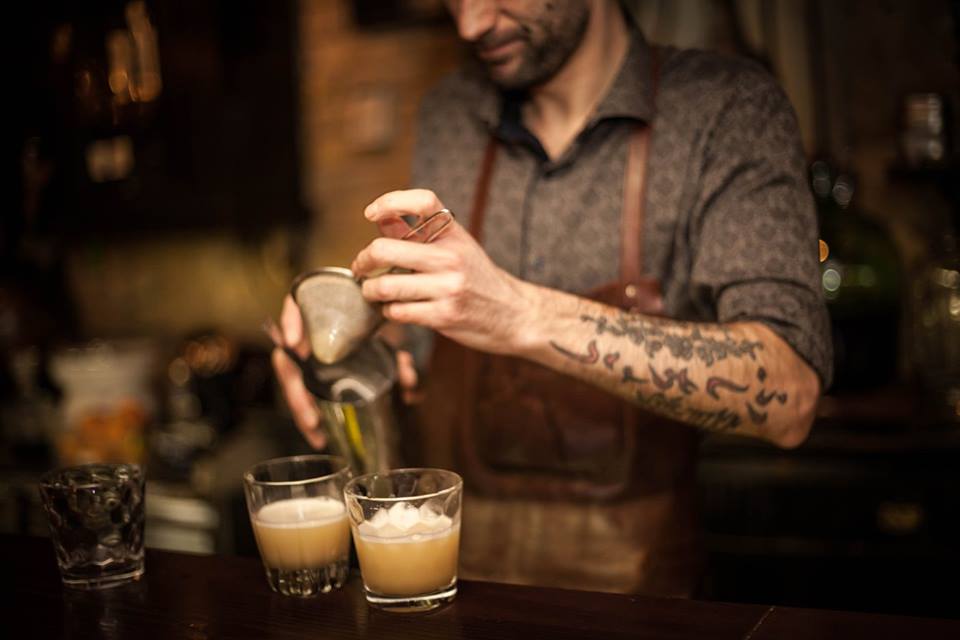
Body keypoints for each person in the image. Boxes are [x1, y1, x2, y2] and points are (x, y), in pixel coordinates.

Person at [273, 0, 831, 596]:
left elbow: (790, 394)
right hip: (456, 588)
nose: (471, 24)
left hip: (639, 602)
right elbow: (425, 356)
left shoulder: (725, 106)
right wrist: (352, 331)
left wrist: (521, 313)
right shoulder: (449, 112)